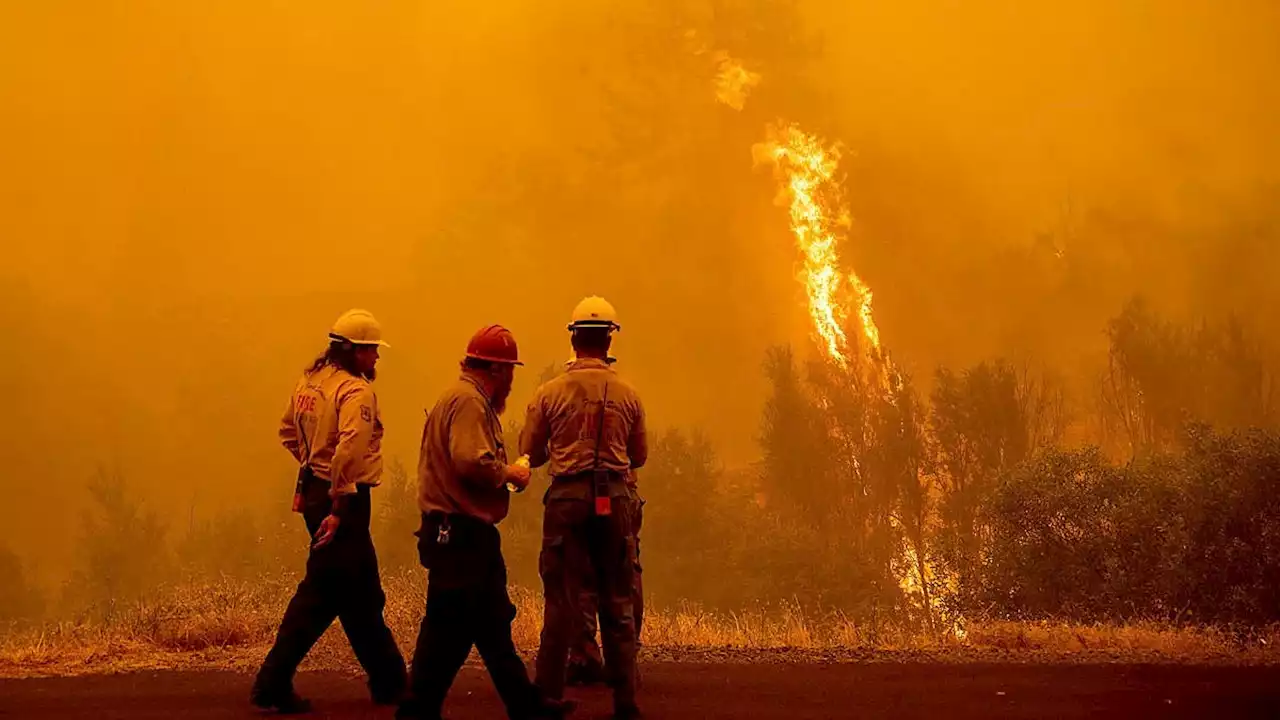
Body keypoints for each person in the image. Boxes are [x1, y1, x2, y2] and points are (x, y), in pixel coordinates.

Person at [398, 325, 573, 720]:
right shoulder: (470, 403)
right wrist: (510, 473)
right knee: (470, 624)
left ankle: (515, 704)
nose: (511, 380)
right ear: (495, 369)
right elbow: (470, 461)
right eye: (509, 371)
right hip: (462, 534)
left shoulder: (455, 399)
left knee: (476, 623)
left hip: (453, 533)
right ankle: (424, 706)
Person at [252, 309, 407, 714]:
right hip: (345, 500)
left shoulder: (310, 381)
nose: (376, 358)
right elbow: (350, 450)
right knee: (321, 596)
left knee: (360, 593)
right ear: (352, 350)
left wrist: (311, 467)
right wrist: (338, 503)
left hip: (316, 490)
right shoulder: (356, 393)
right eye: (371, 350)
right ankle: (272, 683)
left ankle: (390, 681)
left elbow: (287, 431)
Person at [522, 297, 647, 720]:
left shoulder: (549, 394)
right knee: (618, 599)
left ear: (573, 337)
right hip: (614, 497)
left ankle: (547, 696)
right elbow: (640, 455)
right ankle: (626, 702)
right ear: (609, 338)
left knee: (562, 600)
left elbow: (532, 453)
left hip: (566, 500)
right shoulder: (629, 394)